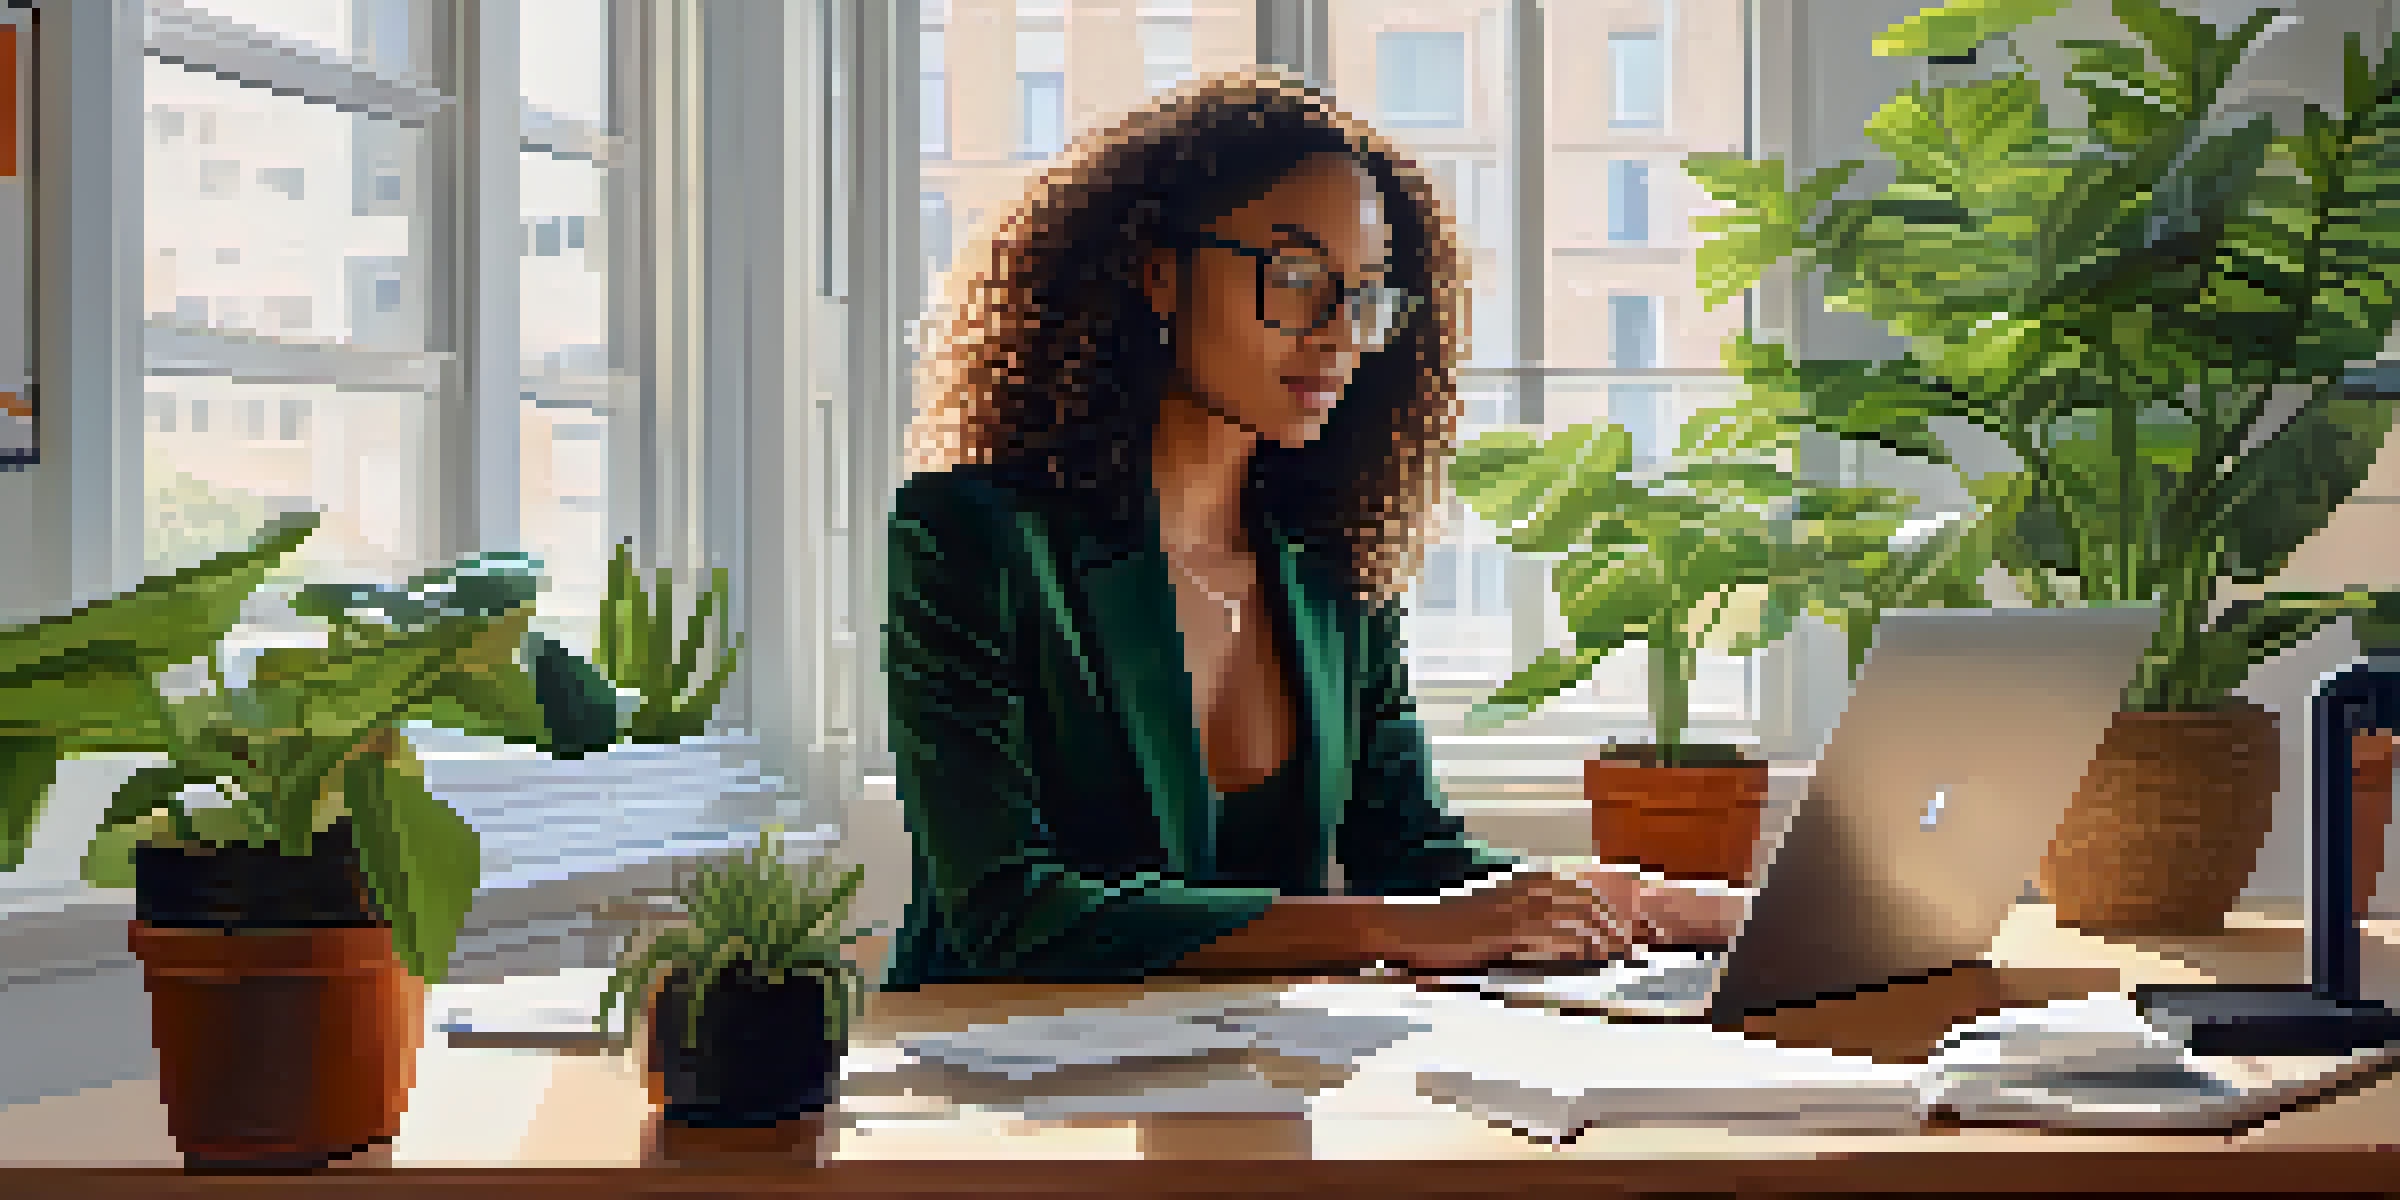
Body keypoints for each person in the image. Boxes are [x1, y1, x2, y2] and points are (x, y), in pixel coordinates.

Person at [881, 69, 1744, 989]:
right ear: (1158, 272)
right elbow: (1011, 914)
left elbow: (1411, 857)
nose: (1340, 333)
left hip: (1254, 1088)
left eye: (1367, 295)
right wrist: (1404, 927)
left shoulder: (1329, 569)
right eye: (1296, 279)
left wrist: (1649, 904)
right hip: (995, 1096)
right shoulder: (970, 538)